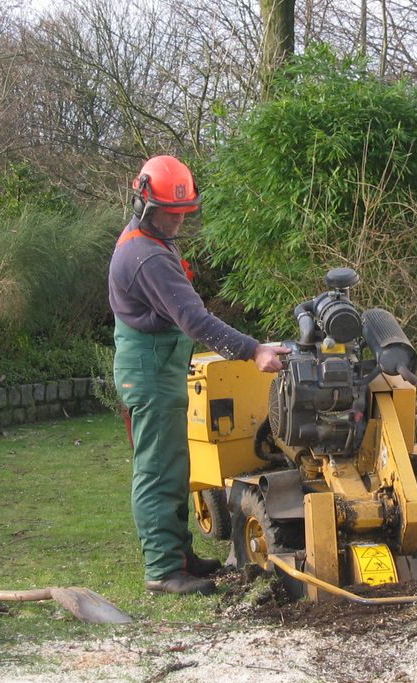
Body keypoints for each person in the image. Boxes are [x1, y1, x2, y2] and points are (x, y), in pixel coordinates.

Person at [108, 155, 288, 596]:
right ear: (144, 204)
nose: (176, 221)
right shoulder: (144, 256)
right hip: (148, 373)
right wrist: (253, 351)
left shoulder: (154, 242)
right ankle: (163, 570)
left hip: (160, 367)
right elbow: (194, 320)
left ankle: (181, 557)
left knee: (174, 467)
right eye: (169, 213)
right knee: (156, 471)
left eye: (182, 213)